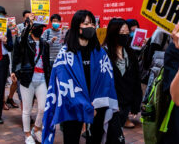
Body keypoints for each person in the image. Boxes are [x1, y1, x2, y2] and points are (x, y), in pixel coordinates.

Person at [42, 10, 122, 144]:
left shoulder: (99, 52)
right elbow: (63, 83)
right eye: (86, 24)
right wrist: (85, 105)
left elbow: (106, 80)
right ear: (77, 28)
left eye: (92, 23)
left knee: (96, 138)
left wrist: (96, 104)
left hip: (97, 105)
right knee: (71, 139)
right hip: (73, 106)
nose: (91, 27)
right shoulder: (65, 54)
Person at [12, 17, 50, 144]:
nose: (40, 30)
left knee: (43, 108)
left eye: (41, 28)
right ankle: (27, 134)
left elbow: (47, 64)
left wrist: (49, 79)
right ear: (32, 28)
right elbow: (19, 44)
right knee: (27, 109)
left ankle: (37, 129)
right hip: (27, 78)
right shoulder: (25, 41)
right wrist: (28, 25)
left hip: (41, 79)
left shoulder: (44, 43)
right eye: (37, 28)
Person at [103, 18, 142, 130]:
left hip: (126, 103)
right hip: (110, 104)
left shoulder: (130, 53)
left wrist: (135, 104)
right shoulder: (104, 54)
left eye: (127, 32)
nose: (125, 35)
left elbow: (136, 79)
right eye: (121, 33)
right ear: (113, 33)